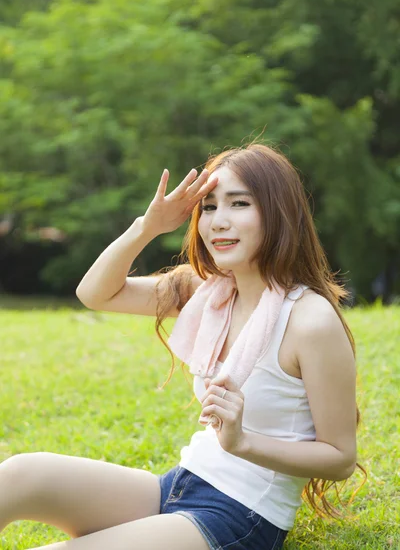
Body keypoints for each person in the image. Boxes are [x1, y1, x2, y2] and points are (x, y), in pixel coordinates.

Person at [0, 143, 366, 550]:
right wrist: (148, 226)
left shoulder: (310, 320)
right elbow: (95, 293)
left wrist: (243, 443)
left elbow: (339, 458)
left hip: (239, 518)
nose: (218, 222)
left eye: (239, 204)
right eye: (208, 207)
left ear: (278, 213)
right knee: (17, 475)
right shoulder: (208, 293)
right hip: (178, 486)